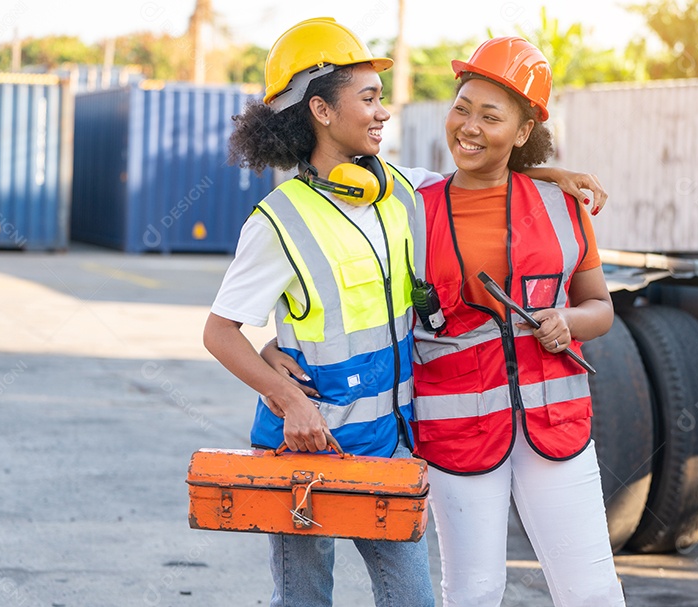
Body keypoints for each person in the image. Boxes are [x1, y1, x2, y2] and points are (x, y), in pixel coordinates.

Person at [205, 18, 605, 607]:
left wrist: (549, 174)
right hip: (305, 445)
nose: (382, 112)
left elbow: (477, 178)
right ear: (320, 109)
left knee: (412, 597)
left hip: (389, 441)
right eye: (368, 98)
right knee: (305, 599)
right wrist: (285, 393)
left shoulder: (393, 189)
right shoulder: (279, 220)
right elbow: (220, 332)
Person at [408, 38, 627, 606]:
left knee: (592, 591)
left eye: (491, 115)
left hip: (555, 427)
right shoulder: (411, 208)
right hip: (458, 434)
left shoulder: (561, 205)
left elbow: (601, 307)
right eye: (462, 107)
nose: (469, 126)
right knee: (475, 592)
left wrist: (569, 322)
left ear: (524, 131)